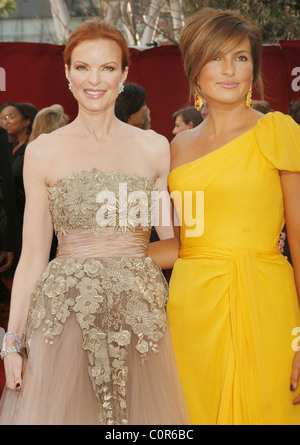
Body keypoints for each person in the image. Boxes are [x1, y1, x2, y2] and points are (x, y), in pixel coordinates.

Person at [0, 19, 189, 425]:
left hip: (139, 314)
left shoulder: (155, 148)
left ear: (123, 73)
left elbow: (174, 245)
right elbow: (33, 255)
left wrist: (122, 264)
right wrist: (12, 342)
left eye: (107, 68)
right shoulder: (44, 151)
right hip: (64, 314)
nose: (94, 80)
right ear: (67, 73)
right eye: (83, 67)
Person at [152, 8, 300, 424]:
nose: (230, 69)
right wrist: (101, 256)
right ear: (194, 70)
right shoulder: (177, 148)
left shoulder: (278, 131)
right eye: (216, 58)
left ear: (254, 67)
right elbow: (187, 244)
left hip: (265, 301)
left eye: (241, 57)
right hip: (193, 307)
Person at [0, 103, 38, 291]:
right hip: (12, 219)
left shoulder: (32, 149)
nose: (4, 122)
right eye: (2, 118)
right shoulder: (9, 149)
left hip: (28, 217)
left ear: (27, 121)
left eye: (10, 117)